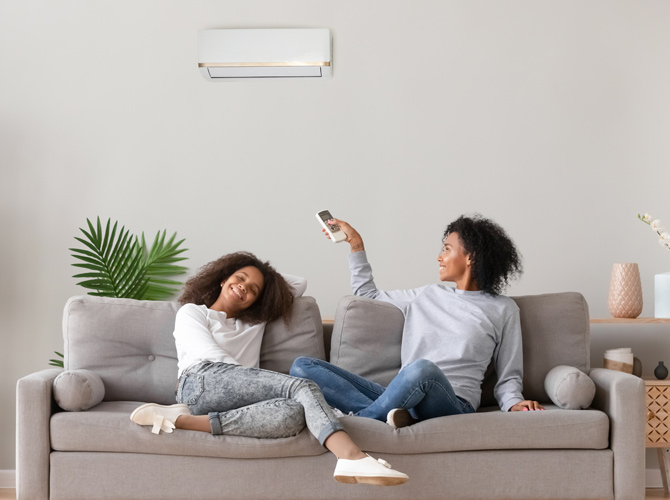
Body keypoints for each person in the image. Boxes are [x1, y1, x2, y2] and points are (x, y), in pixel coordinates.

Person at [130, 251, 408, 486]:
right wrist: (257, 382)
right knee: (300, 386)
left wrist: (265, 283)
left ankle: (181, 421)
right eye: (239, 278)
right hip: (199, 382)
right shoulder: (193, 312)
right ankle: (351, 457)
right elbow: (210, 356)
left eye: (253, 290)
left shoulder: (254, 323)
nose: (244, 288)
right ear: (223, 278)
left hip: (234, 401)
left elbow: (298, 283)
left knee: (294, 414)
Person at [290, 214, 543, 429]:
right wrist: (355, 244)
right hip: (404, 396)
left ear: (470, 258)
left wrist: (513, 403)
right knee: (303, 366)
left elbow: (509, 373)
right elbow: (367, 296)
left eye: (446, 249)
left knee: (423, 369)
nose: (439, 257)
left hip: (452, 403)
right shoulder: (427, 294)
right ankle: (388, 415)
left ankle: (365, 422)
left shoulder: (503, 309)